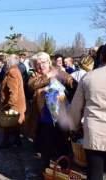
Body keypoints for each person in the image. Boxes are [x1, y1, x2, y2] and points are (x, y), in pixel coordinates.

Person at [25, 52, 77, 171]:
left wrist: (72, 102)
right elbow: (32, 86)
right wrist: (48, 76)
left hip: (61, 119)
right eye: (37, 64)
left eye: (43, 62)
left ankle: (64, 171)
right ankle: (46, 172)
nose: (41, 66)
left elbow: (74, 85)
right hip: (43, 121)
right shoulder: (35, 76)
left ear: (49, 62)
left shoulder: (59, 73)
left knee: (63, 147)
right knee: (45, 149)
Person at [69, 45, 106, 180]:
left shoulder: (89, 77)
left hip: (94, 132)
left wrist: (73, 127)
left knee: (95, 171)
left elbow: (76, 107)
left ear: (100, 57)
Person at [0, 56, 26, 149]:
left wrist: (9, 103)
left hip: (12, 104)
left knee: (7, 123)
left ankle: (6, 141)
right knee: (16, 123)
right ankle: (17, 140)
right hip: (18, 104)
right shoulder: (16, 71)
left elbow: (13, 90)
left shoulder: (12, 73)